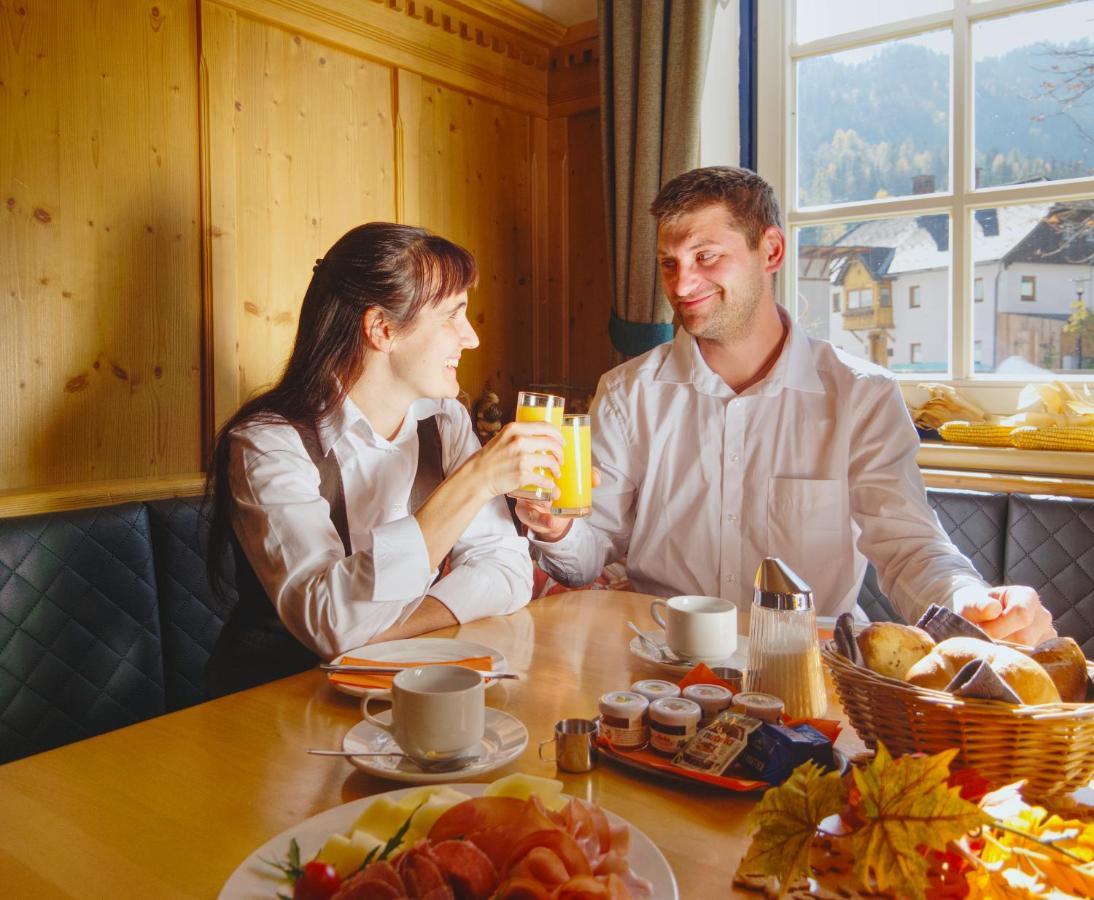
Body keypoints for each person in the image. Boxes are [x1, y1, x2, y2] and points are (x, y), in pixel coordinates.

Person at [517, 166, 1055, 645]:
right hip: (662, 662)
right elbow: (594, 550)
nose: (682, 284)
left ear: (770, 251)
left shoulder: (861, 395)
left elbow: (908, 544)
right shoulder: (626, 391)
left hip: (809, 667)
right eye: (669, 263)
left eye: (706, 257)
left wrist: (968, 603)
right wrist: (555, 528)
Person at [205, 222, 561, 690]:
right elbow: (330, 623)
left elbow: (508, 571)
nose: (470, 337)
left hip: (404, 691)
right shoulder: (267, 443)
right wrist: (474, 481)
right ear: (382, 328)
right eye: (452, 316)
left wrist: (385, 634)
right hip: (271, 703)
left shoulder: (444, 421)